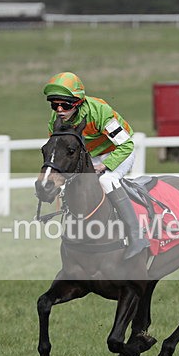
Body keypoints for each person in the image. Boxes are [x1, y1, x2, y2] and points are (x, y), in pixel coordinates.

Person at [44, 71, 149, 259]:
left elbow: (126, 144)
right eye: (55, 104)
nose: (59, 110)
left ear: (77, 102)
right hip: (90, 156)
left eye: (65, 105)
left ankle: (136, 236)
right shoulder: (56, 120)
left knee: (107, 180)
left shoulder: (99, 111)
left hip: (118, 151)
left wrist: (105, 165)